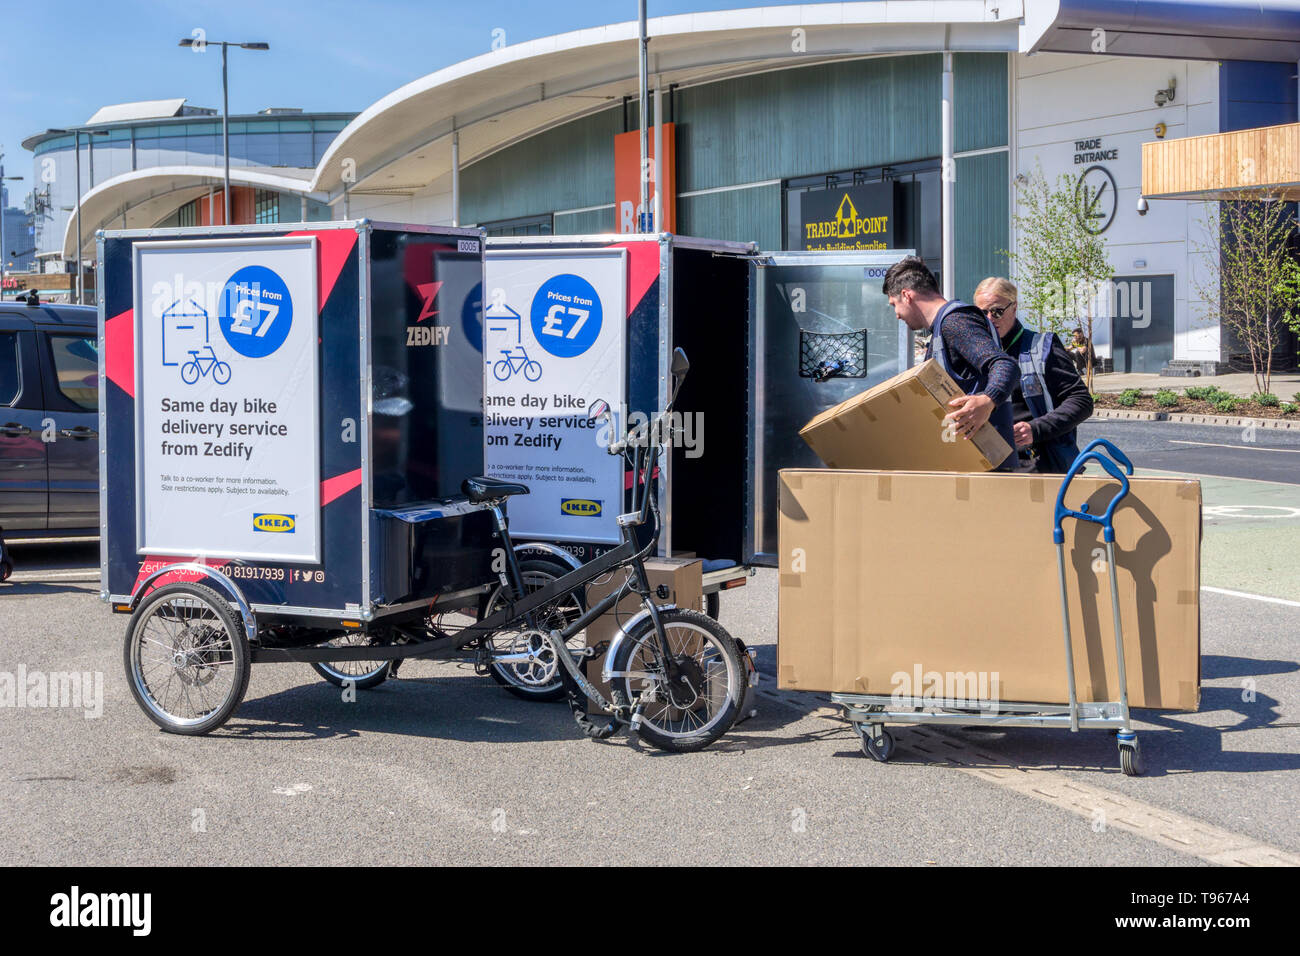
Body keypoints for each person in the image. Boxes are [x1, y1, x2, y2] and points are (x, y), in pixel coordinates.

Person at [881, 257, 1019, 470]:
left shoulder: (955, 322)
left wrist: (987, 401)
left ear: (907, 295)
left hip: (988, 469)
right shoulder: (942, 328)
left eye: (894, 304)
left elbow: (1005, 365)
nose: (896, 315)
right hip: (973, 466)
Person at [972, 277, 1093, 474]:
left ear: (1014, 307)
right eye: (982, 313)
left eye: (996, 311)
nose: (989, 319)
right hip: (987, 465)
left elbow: (1081, 401)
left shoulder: (1043, 347)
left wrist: (1035, 429)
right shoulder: (975, 351)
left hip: (1036, 464)